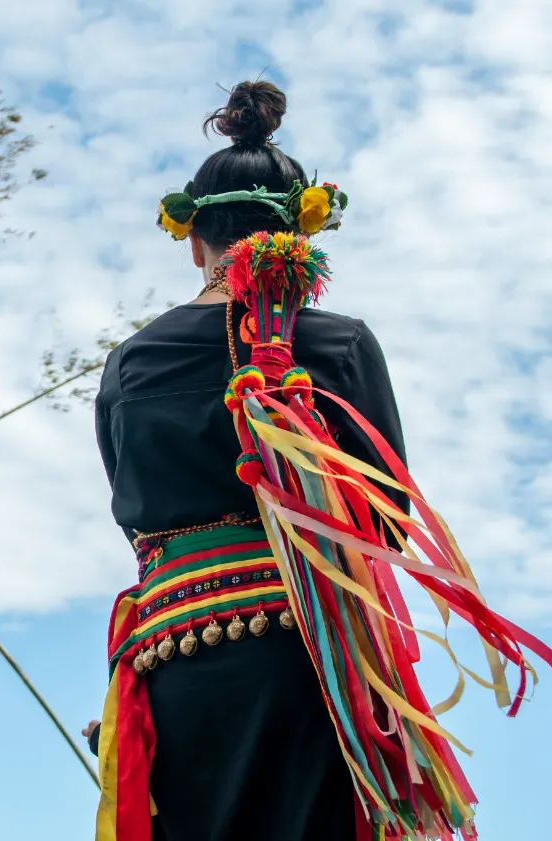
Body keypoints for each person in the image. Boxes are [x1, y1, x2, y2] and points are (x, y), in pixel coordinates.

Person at [91, 81, 551, 841]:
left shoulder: (130, 364)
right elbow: (387, 517)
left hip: (176, 654)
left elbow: (130, 508)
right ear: (303, 238)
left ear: (194, 239)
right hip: (317, 655)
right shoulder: (339, 343)